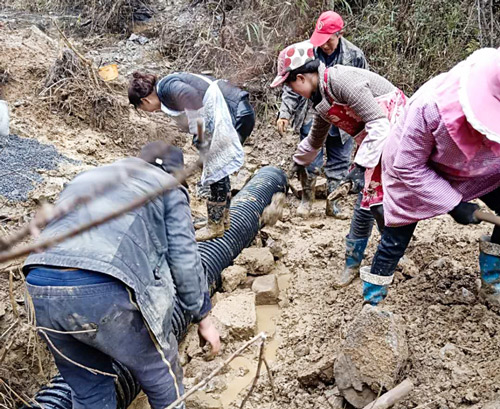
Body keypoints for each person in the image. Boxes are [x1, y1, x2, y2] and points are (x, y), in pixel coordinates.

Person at [23, 142, 221, 409]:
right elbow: (185, 259)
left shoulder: (88, 176)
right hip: (102, 286)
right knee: (159, 370)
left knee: (89, 391)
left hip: (38, 284)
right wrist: (203, 318)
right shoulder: (167, 187)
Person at [360, 48, 500, 308]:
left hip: (483, 170)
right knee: (394, 241)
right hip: (416, 171)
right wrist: (454, 203)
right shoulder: (430, 107)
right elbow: (407, 166)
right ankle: (372, 306)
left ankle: (493, 283)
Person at [271, 40, 406, 288]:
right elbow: (316, 138)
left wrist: (359, 168)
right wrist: (298, 163)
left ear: (300, 78)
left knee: (372, 200)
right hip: (374, 136)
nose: (293, 91)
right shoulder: (323, 97)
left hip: (394, 130)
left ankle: (386, 256)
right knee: (368, 202)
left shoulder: (342, 81)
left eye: (290, 85)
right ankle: (368, 258)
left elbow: (379, 123)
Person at [128, 72, 256, 241]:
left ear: (145, 101)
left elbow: (190, 96)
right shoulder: (167, 86)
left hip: (234, 113)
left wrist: (199, 133)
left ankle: (215, 225)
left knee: (215, 164)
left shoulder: (167, 88)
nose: (150, 112)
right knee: (217, 165)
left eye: (144, 109)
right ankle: (221, 219)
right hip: (236, 110)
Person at [276, 11, 367, 219]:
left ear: (340, 34)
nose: (325, 45)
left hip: (345, 115)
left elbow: (363, 85)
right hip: (313, 111)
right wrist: (285, 113)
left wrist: (362, 123)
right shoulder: (306, 53)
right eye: (322, 40)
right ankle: (306, 200)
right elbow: (292, 86)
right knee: (310, 158)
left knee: (340, 161)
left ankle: (332, 204)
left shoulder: (355, 55)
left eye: (329, 40)